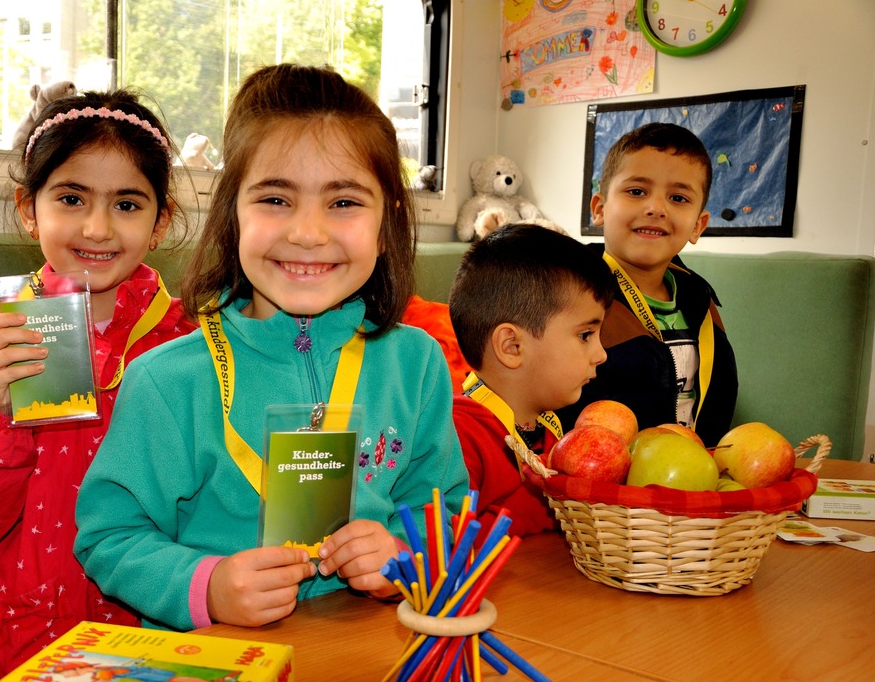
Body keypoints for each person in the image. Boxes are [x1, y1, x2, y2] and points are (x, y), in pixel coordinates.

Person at [74, 64, 468, 632]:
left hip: (367, 665)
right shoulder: (166, 380)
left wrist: (408, 557)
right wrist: (206, 587)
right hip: (219, 672)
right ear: (233, 216)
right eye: (276, 200)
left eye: (343, 203)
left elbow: (448, 514)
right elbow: (110, 536)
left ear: (387, 226)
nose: (307, 232)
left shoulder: (417, 364)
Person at [0, 90, 196, 682]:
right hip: (10, 643)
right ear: (29, 208)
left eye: (127, 203)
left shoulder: (194, 345)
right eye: (71, 198)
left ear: (162, 220)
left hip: (147, 638)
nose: (96, 228)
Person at [556, 122, 738, 446]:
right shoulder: (567, 293)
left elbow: (719, 399)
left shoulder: (700, 301)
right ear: (599, 208)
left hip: (694, 477)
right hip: (595, 486)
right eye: (637, 191)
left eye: (678, 197)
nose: (656, 208)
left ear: (698, 226)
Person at [449, 224, 615, 536]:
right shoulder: (458, 438)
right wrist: (544, 501)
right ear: (512, 347)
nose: (601, 354)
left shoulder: (549, 427)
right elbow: (443, 543)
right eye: (585, 335)